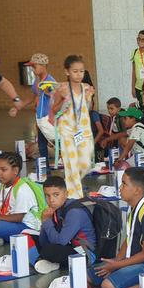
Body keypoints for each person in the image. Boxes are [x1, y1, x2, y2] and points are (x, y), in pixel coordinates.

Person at [89, 167, 144, 288]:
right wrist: (116, 260)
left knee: (108, 287)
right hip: (136, 259)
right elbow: (129, 239)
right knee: (90, 275)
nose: (120, 188)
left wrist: (117, 265)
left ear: (137, 190)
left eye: (124, 184)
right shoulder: (133, 209)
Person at [47, 55, 95, 198]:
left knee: (86, 164)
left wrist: (90, 97)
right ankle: (76, 196)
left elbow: (87, 108)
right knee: (71, 165)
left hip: (83, 131)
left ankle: (70, 188)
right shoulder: (62, 88)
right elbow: (54, 110)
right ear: (67, 72)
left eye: (81, 71)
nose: (79, 74)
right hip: (67, 131)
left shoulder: (86, 87)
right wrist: (62, 98)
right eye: (75, 71)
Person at [31, 176, 96, 274]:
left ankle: (52, 263)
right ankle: (51, 262)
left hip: (85, 254)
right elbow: (43, 242)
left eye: (56, 195)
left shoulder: (75, 212)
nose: (51, 200)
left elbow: (60, 242)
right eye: (47, 196)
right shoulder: (57, 208)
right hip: (69, 246)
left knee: (49, 250)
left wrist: (46, 221)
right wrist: (44, 222)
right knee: (32, 239)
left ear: (66, 194)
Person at [19, 53, 56, 168]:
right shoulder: (37, 81)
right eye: (31, 67)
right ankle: (45, 168)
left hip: (48, 117)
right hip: (40, 118)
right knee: (41, 144)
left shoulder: (49, 81)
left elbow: (57, 96)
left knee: (56, 141)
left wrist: (48, 93)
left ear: (43, 66)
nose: (33, 70)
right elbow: (34, 95)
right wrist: (20, 105)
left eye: (34, 67)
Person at [131, 30, 144, 107]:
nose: (140, 41)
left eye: (143, 40)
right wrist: (133, 88)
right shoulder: (134, 52)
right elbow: (133, 71)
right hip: (138, 87)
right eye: (138, 39)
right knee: (141, 108)